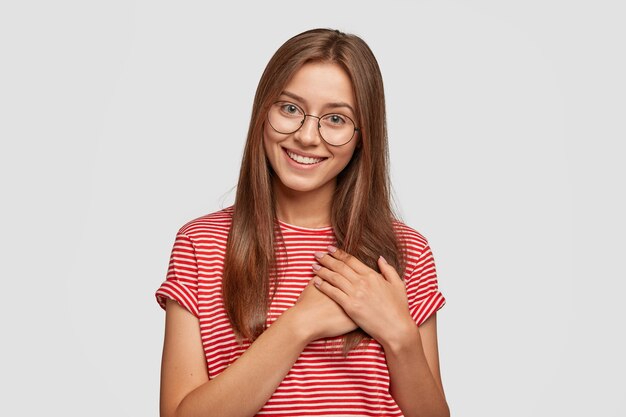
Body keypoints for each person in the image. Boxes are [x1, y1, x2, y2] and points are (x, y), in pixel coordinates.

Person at [155, 28, 449, 417]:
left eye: (336, 118)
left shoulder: (405, 250)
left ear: (363, 136)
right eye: (290, 109)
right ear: (263, 111)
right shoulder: (202, 244)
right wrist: (300, 324)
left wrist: (399, 335)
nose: (308, 136)